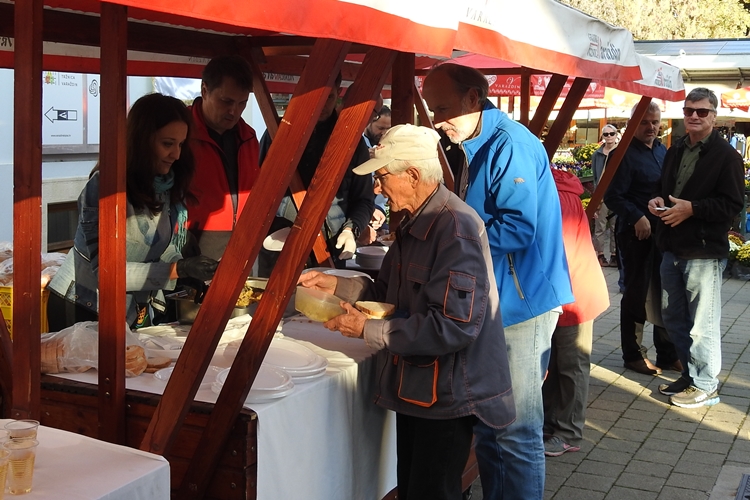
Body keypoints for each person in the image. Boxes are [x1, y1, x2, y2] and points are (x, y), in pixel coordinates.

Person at [298, 124, 515, 500]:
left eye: (382, 177)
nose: (377, 189)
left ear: (412, 175)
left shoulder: (454, 228)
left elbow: (451, 327)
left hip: (446, 397)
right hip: (420, 391)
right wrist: (338, 286)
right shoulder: (415, 221)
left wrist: (369, 329)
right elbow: (388, 296)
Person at [422, 63, 573, 500]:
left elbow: (518, 227)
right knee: (491, 425)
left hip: (521, 305)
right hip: (501, 303)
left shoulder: (508, 143)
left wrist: (450, 239)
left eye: (444, 108)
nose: (437, 119)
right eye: (433, 110)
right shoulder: (476, 141)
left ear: (474, 99)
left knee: (515, 431)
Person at [48, 93, 218, 331]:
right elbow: (108, 273)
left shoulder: (166, 185)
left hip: (130, 309)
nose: (177, 155)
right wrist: (178, 270)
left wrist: (186, 267)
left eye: (181, 144)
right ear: (141, 140)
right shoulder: (105, 187)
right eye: (167, 144)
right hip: (82, 306)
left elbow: (165, 247)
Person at [650, 87, 744, 408]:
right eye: (688, 110)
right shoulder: (675, 149)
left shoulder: (727, 156)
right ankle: (690, 376)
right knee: (674, 317)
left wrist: (693, 209)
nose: (693, 116)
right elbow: (664, 187)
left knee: (701, 324)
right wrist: (658, 199)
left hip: (703, 252)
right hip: (671, 247)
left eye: (701, 112)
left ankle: (706, 383)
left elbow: (732, 205)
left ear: (713, 117)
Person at [257, 73, 374, 272]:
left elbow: (364, 198)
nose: (322, 104)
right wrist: (272, 227)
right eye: (317, 96)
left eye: (328, 97)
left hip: (332, 246)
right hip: (278, 244)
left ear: (339, 92)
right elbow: (261, 192)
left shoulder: (352, 140)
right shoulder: (277, 132)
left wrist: (350, 229)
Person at [604, 101, 680, 377]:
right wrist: (637, 216)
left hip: (663, 231)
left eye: (655, 122)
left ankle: (668, 353)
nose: (651, 127)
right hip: (635, 232)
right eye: (645, 122)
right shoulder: (621, 153)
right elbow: (612, 196)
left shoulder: (662, 150)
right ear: (633, 123)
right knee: (637, 292)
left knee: (666, 292)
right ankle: (633, 354)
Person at [543, 168, 610, 456]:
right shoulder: (557, 191)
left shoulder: (556, 196)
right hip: (566, 289)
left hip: (574, 291)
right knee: (557, 363)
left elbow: (558, 250)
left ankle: (568, 432)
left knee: (571, 365)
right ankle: (552, 425)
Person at [186, 55, 261, 261]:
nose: (233, 111)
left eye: (242, 103)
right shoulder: (180, 133)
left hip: (243, 243)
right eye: (226, 101)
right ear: (204, 91)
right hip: (191, 244)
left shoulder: (249, 136)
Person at [591, 124, 619, 267]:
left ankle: (614, 254)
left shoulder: (621, 152)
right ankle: (600, 254)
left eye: (611, 133)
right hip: (601, 194)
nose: (609, 137)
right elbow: (596, 176)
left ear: (616, 134)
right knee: (600, 225)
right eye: (606, 134)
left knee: (615, 226)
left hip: (616, 193)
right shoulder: (597, 154)